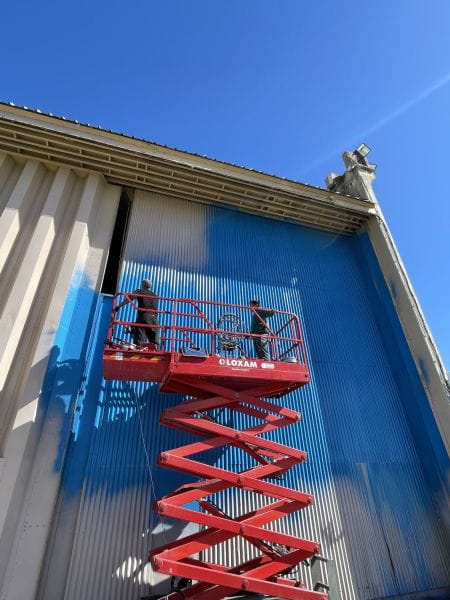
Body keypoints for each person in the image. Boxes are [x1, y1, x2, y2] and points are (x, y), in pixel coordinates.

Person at [115, 279, 159, 346]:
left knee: (140, 337)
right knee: (154, 340)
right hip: (154, 319)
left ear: (141, 284)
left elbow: (129, 299)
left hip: (144, 317)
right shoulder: (155, 295)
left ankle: (139, 347)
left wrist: (118, 306)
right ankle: (155, 349)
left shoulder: (139, 291)